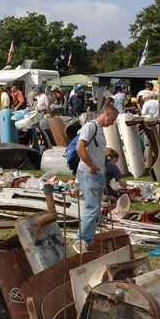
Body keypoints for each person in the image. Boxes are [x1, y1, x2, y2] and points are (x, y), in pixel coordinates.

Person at [72, 104, 119, 254]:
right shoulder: (90, 127)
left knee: (94, 208)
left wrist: (102, 164)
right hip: (89, 174)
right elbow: (80, 148)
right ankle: (81, 240)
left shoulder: (99, 130)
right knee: (91, 208)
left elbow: (95, 150)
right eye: (113, 118)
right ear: (107, 113)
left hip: (96, 174)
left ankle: (87, 240)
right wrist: (92, 166)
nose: (113, 122)